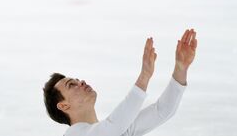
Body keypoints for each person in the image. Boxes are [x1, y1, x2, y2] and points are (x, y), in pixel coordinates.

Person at [42, 29, 197, 136]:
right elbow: (112, 127)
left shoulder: (117, 130)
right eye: (72, 85)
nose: (80, 82)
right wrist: (144, 77)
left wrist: (180, 69)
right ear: (64, 106)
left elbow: (162, 111)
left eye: (77, 80)